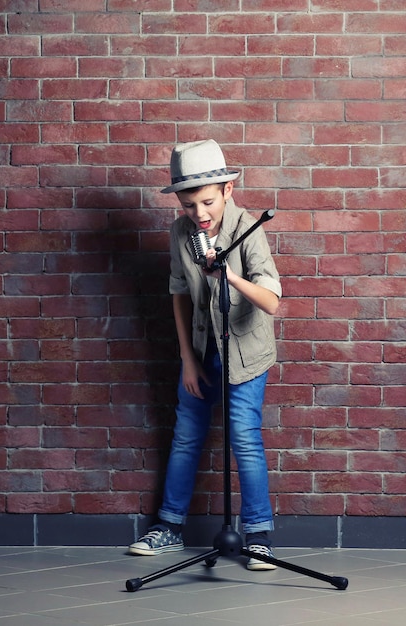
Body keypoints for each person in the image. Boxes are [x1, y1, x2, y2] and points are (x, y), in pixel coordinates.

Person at [128, 139, 282, 571]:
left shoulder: (248, 229)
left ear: (228, 191)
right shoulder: (181, 232)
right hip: (200, 349)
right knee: (185, 437)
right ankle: (169, 528)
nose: (199, 213)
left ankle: (257, 537)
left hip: (245, 354)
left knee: (245, 440)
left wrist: (228, 275)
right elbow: (178, 292)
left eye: (208, 202)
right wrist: (188, 359)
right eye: (188, 203)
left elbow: (271, 302)